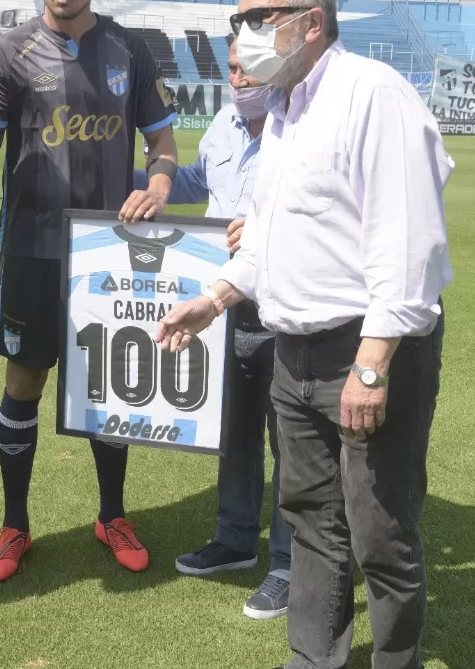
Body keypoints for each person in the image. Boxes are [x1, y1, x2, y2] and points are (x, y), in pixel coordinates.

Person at [155, 0, 452, 669]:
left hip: (367, 350)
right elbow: (265, 235)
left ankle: (396, 660)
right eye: (238, 22)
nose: (242, 37)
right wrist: (214, 298)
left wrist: (373, 368)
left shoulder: (372, 96)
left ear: (310, 23)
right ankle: (316, 658)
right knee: (313, 522)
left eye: (257, 20)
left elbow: (408, 249)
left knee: (380, 532)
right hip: (294, 351)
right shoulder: (285, 109)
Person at [0, 0, 179, 583]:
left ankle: (112, 514)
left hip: (108, 254)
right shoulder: (8, 52)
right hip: (31, 250)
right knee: (24, 380)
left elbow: (162, 141)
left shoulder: (131, 50)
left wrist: (162, 182)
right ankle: (14, 525)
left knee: (109, 385)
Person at [132, 39, 291, 620]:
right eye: (232, 70)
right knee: (235, 431)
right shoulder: (225, 122)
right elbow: (201, 178)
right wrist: (138, 182)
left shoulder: (297, 123)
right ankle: (235, 539)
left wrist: (267, 225)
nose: (241, 79)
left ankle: (289, 565)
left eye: (251, 69)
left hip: (284, 309)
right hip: (222, 304)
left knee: (290, 444)